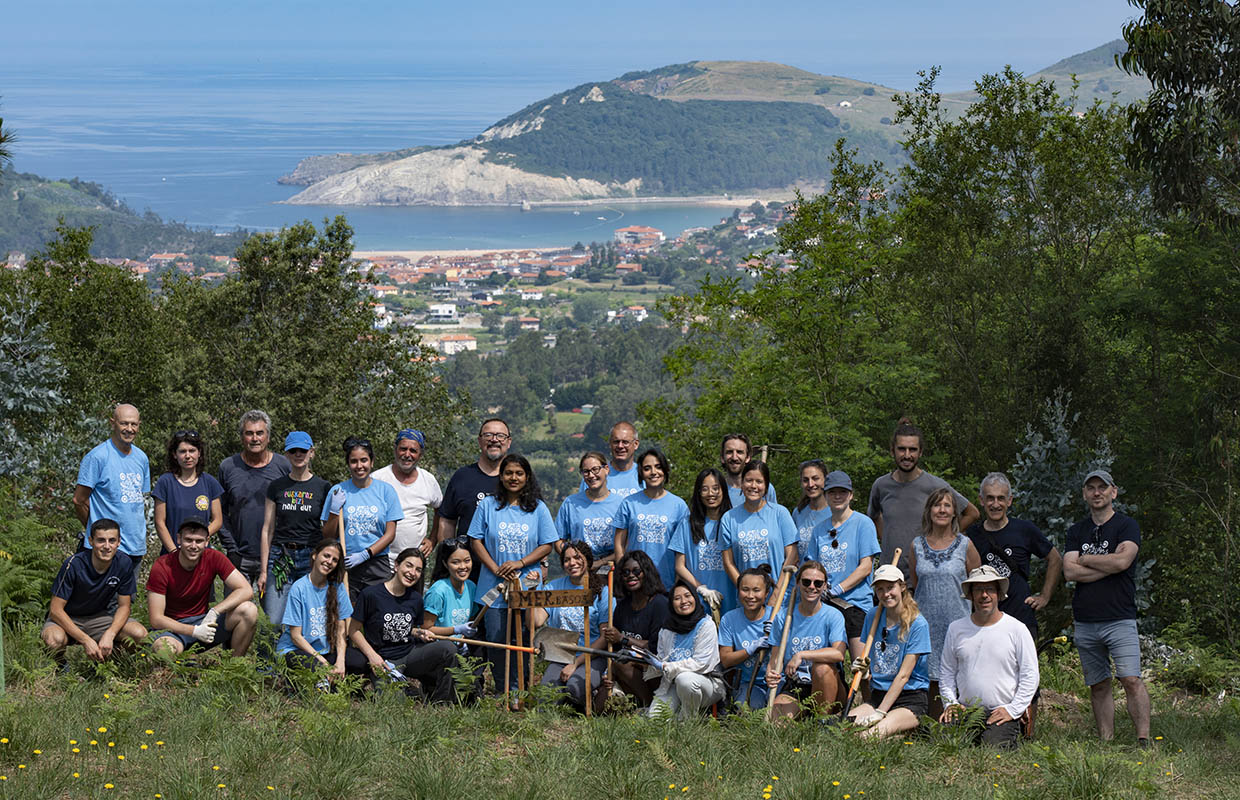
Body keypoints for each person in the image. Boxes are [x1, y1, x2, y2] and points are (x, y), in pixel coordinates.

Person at [965, 471, 1062, 736]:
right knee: (986, 672)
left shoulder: (1024, 530)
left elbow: (1055, 558)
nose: (995, 504)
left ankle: (1027, 733)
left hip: (1020, 614)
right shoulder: (972, 535)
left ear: (1010, 501)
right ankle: (987, 728)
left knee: (1026, 673)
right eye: (990, 498)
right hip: (983, 618)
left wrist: (1045, 596)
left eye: (1001, 498)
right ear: (981, 500)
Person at [1063, 469, 1151, 746]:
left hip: (1119, 617)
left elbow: (1123, 562)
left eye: (1102, 487)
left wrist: (1086, 559)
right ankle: (1106, 742)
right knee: (1099, 684)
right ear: (1084, 494)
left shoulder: (1126, 526)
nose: (1097, 492)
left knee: (1131, 679)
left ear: (1114, 491)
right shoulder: (1076, 531)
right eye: (1091, 488)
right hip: (1086, 620)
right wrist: (1109, 564)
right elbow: (1069, 571)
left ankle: (1143, 740)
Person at [467, 453, 557, 694]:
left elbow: (547, 544)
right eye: (508, 473)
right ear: (501, 476)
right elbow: (475, 540)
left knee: (523, 638)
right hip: (492, 584)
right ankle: (503, 689)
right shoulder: (488, 505)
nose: (513, 478)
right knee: (496, 639)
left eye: (519, 473)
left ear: (527, 477)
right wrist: (495, 567)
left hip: (527, 583)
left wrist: (520, 563)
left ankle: (521, 689)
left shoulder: (538, 508)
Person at [939, 566, 1039, 749]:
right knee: (945, 746)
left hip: (1001, 711)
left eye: (990, 589)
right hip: (965, 710)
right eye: (978, 589)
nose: (984, 595)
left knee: (992, 749)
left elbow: (1030, 674)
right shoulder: (956, 629)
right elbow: (947, 672)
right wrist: (950, 704)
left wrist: (1013, 710)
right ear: (970, 595)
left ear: (999, 594)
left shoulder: (1017, 629)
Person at [867, 418, 978, 575]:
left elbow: (972, 513)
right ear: (892, 451)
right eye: (901, 449)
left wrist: (943, 538)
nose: (907, 455)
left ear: (920, 452)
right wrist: (887, 540)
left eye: (912, 450)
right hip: (890, 575)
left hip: (924, 575)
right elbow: (873, 516)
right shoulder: (881, 485)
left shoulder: (935, 486)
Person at [346, 548, 458, 702]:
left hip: (410, 654)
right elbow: (353, 630)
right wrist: (372, 656)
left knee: (448, 648)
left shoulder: (416, 599)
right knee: (394, 703)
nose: (412, 573)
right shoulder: (371, 594)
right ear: (397, 565)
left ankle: (441, 701)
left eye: (418, 570)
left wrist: (420, 633)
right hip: (384, 661)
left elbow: (410, 629)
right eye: (409, 565)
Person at [907, 487, 981, 717]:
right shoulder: (917, 545)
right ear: (929, 511)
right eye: (937, 505)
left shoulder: (965, 545)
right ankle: (931, 727)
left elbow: (978, 586)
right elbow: (917, 584)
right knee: (929, 679)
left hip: (958, 623)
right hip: (926, 625)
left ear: (954, 513)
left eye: (947, 505)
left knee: (962, 676)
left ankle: (963, 726)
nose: (942, 510)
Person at [147, 518, 259, 656]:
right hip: (173, 629)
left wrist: (215, 611)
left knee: (249, 610)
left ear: (207, 541)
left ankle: (235, 665)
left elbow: (246, 589)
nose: (193, 546)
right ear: (179, 539)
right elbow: (156, 619)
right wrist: (193, 631)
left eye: (199, 541)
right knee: (163, 649)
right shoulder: (162, 566)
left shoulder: (214, 557)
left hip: (204, 622)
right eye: (188, 540)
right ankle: (178, 665)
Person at [42, 519, 147, 662]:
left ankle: (104, 661)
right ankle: (59, 665)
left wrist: (110, 634)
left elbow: (124, 606)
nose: (107, 546)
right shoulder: (74, 564)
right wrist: (85, 640)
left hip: (100, 618)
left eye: (112, 540)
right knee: (54, 640)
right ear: (91, 541)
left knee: (139, 634)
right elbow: (55, 610)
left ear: (119, 542)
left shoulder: (124, 563)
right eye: (101, 540)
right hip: (68, 617)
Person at [846, 565, 931, 739]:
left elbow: (903, 676)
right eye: (880, 589)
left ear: (902, 587)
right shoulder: (873, 616)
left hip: (909, 697)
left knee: (869, 736)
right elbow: (872, 657)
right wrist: (864, 670)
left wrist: (880, 712)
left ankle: (909, 731)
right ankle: (898, 733)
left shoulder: (918, 624)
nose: (886, 594)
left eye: (890, 587)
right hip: (879, 695)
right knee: (845, 728)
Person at [257, 432, 331, 624]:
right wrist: (264, 570)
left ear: (311, 452)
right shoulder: (276, 486)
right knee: (273, 621)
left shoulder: (324, 487)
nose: (298, 454)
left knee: (309, 619)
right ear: (287, 455)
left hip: (311, 558)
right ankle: (271, 647)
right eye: (293, 451)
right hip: (280, 558)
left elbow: (329, 529)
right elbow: (267, 529)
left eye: (303, 450)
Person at [806, 471, 881, 658]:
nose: (837, 496)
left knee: (860, 666)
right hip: (825, 606)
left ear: (851, 495)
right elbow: (812, 567)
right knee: (826, 665)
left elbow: (866, 567)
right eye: (832, 492)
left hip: (855, 605)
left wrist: (837, 589)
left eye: (843, 492)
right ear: (826, 495)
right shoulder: (819, 530)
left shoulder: (863, 524)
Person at [321, 437, 403, 600]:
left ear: (372, 462)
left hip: (377, 565)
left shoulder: (386, 491)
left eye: (364, 460)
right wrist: (334, 511)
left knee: (379, 610)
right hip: (346, 564)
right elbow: (328, 535)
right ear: (348, 464)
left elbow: (390, 534)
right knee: (346, 612)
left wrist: (366, 554)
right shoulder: (338, 491)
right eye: (354, 461)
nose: (359, 466)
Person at [534, 540, 612, 710]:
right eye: (567, 560)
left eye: (577, 557)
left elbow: (605, 637)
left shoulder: (603, 591)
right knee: (545, 699)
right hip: (561, 655)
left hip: (593, 656)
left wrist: (575, 664)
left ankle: (592, 696)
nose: (572, 563)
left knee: (575, 688)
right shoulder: (554, 587)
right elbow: (537, 621)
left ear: (588, 560)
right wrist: (534, 590)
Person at [765, 560, 848, 720]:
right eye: (806, 582)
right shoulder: (783, 616)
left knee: (821, 668)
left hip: (828, 684)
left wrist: (802, 655)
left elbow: (839, 654)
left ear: (825, 586)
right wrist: (771, 673)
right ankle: (805, 714)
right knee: (778, 722)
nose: (812, 587)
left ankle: (821, 722)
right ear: (797, 584)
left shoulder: (833, 615)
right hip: (796, 685)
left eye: (818, 583)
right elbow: (775, 658)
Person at [217, 410, 291, 584]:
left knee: (276, 603)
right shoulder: (228, 467)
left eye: (260, 433)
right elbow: (219, 512)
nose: (255, 438)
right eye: (249, 433)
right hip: (239, 558)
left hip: (275, 556)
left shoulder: (283, 466)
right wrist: (231, 548)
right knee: (237, 603)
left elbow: (292, 510)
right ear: (242, 437)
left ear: (268, 437)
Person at [436, 418, 513, 582]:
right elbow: (447, 521)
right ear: (479, 441)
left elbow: (535, 520)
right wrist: (448, 559)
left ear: (509, 442)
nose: (494, 440)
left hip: (511, 568)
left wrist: (543, 563)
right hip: (467, 571)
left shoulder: (517, 479)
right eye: (488, 435)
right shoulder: (462, 477)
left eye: (500, 436)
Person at [74, 403, 150, 559]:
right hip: (106, 549)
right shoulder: (97, 457)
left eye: (134, 424)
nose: (129, 429)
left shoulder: (142, 458)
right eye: (124, 423)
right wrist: (96, 530)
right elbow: (79, 500)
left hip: (135, 547)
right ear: (112, 423)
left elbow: (137, 501)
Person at [646, 581, 727, 719]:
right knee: (655, 719)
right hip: (672, 684)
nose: (683, 601)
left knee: (685, 680)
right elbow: (662, 659)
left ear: (695, 598)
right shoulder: (667, 629)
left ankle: (688, 721)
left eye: (688, 596)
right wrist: (647, 661)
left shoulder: (706, 625)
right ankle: (677, 717)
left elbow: (701, 663)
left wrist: (666, 666)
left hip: (707, 683)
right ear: (671, 604)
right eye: (677, 598)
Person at [599, 551, 669, 706]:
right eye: (625, 572)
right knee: (600, 705)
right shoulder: (622, 606)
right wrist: (609, 672)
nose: (631, 576)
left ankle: (649, 705)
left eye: (636, 571)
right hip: (625, 668)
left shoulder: (659, 604)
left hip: (653, 669)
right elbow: (615, 648)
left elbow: (655, 646)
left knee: (621, 664)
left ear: (646, 573)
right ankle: (631, 701)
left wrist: (623, 639)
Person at [614, 448, 690, 590]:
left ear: (665, 470)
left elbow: (684, 549)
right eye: (647, 468)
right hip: (635, 582)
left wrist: (678, 584)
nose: (653, 472)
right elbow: (619, 543)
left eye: (658, 467)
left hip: (666, 583)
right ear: (641, 473)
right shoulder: (629, 503)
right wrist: (623, 574)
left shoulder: (679, 506)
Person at [275, 539, 352, 676]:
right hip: (297, 649)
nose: (329, 562)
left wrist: (340, 661)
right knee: (314, 667)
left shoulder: (337, 587)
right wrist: (323, 663)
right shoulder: (299, 588)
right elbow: (296, 637)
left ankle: (333, 678)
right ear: (315, 555)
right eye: (326, 556)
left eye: (335, 560)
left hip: (326, 650)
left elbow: (341, 629)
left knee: (359, 662)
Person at [720, 461, 797, 595]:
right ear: (742, 484)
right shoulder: (729, 518)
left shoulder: (780, 513)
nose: (753, 486)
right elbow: (728, 563)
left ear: (766, 486)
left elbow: (792, 555)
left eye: (759, 481)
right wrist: (745, 591)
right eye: (749, 480)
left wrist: (777, 593)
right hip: (746, 599)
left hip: (779, 597)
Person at [670, 467, 735, 616]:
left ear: (723, 491)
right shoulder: (687, 524)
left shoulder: (733, 522)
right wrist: (701, 588)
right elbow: (679, 566)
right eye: (705, 489)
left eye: (715, 488)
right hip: (698, 602)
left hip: (731, 600)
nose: (710, 493)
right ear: (698, 493)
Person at [373, 429, 443, 564]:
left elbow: (440, 510)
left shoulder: (428, 480)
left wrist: (432, 539)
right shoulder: (378, 479)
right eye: (403, 449)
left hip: (415, 561)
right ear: (395, 450)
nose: (407, 455)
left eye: (413, 451)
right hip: (381, 559)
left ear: (420, 454)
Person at [152, 429, 223, 554]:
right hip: (172, 554)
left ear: (199, 453)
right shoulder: (165, 482)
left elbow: (217, 520)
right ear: (174, 454)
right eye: (182, 451)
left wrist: (198, 539)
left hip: (201, 553)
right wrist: (174, 552)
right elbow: (159, 522)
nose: (188, 456)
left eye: (192, 451)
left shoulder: (210, 482)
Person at [717, 565, 776, 710]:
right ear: (738, 591)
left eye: (756, 590)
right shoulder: (729, 620)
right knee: (748, 711)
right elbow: (726, 660)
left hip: (776, 680)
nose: (750, 596)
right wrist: (750, 649)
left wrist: (777, 635)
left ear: (766, 593)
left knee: (777, 712)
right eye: (745, 589)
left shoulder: (777, 616)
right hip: (748, 683)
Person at [556, 451, 626, 562]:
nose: (591, 475)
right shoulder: (570, 503)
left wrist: (601, 562)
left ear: (606, 469)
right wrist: (574, 559)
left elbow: (627, 543)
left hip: (613, 566)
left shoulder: (621, 503)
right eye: (586, 471)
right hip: (581, 567)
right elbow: (558, 540)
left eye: (595, 469)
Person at [423, 537, 479, 636]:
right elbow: (426, 628)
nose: (463, 567)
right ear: (445, 564)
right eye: (455, 562)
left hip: (461, 643)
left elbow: (471, 619)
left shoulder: (471, 587)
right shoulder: (438, 591)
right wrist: (456, 630)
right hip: (440, 644)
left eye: (467, 561)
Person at [578, 422, 643, 498]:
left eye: (625, 442)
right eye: (616, 442)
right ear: (610, 443)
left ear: (636, 444)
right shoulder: (594, 475)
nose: (620, 446)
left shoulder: (644, 475)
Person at [719, 434, 776, 507]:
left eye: (739, 452)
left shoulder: (764, 488)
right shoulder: (716, 491)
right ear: (722, 457)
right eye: (729, 452)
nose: (734, 458)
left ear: (747, 457)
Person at [791, 459, 830, 561]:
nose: (810, 484)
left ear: (825, 480)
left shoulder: (835, 512)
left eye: (815, 478)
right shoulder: (798, 513)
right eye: (805, 480)